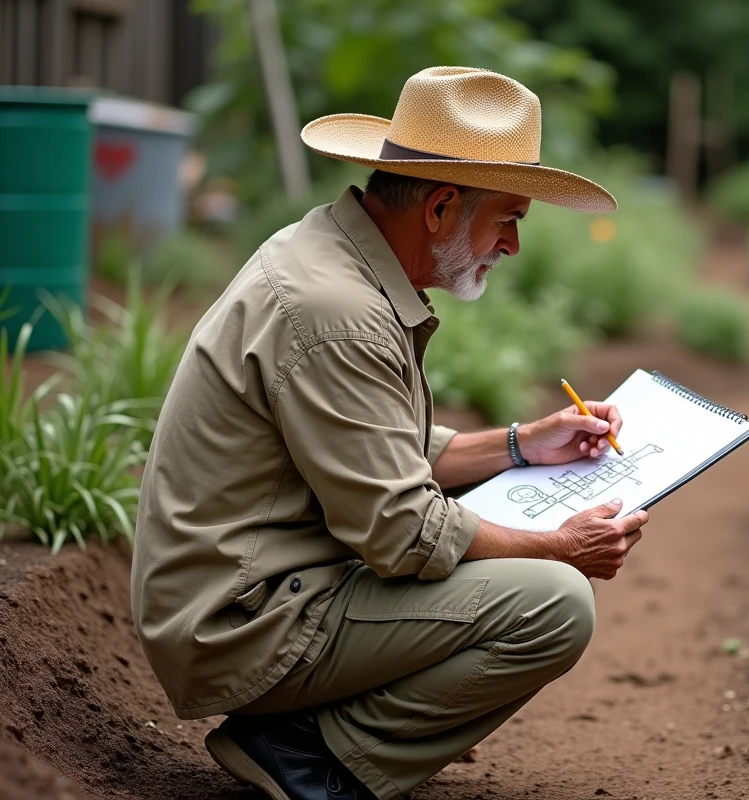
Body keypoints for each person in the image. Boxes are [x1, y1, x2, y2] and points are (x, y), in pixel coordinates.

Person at [130, 66, 649, 800]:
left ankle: (308, 732)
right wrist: (558, 547)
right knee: (554, 603)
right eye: (509, 219)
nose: (513, 246)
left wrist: (523, 443)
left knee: (525, 572)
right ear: (439, 207)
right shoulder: (338, 312)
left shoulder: (331, 256)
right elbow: (403, 531)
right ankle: (310, 754)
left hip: (259, 586)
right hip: (243, 621)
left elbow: (378, 451)